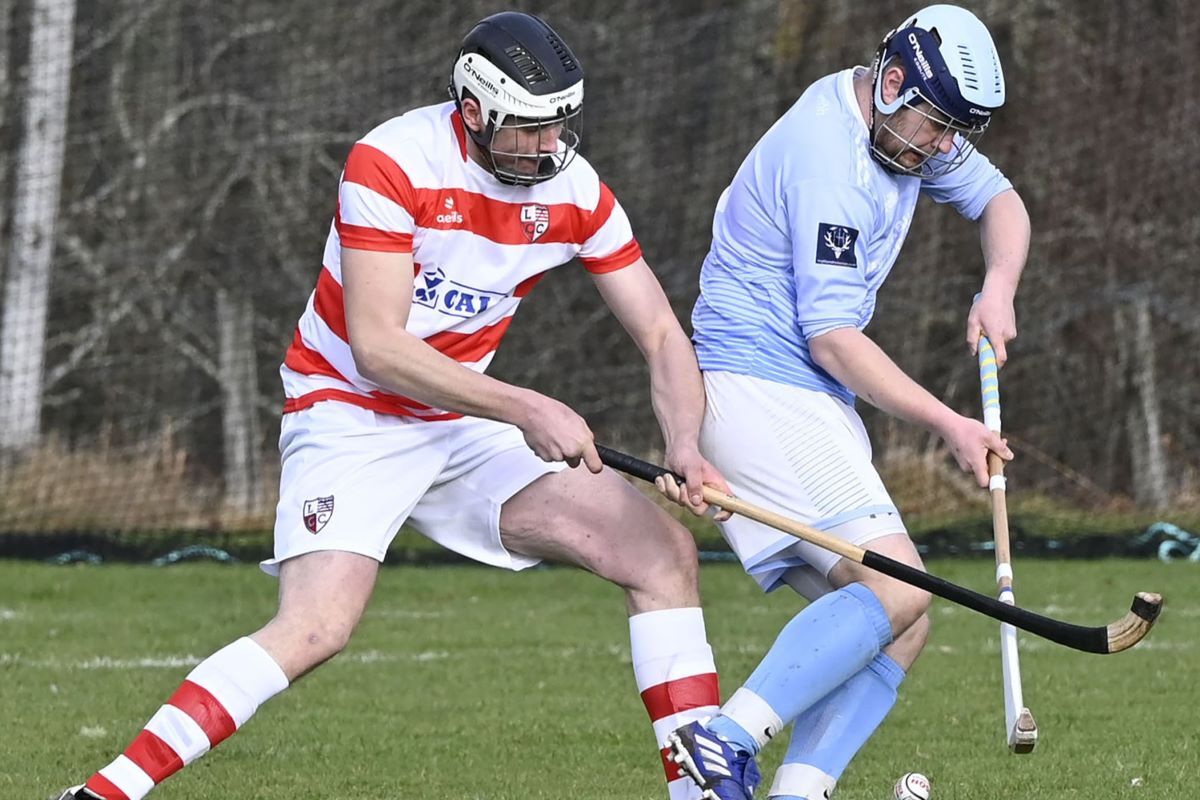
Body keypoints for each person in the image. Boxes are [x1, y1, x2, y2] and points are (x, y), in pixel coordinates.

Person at [57, 12, 731, 800]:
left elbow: (657, 330)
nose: (549, 150)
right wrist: (523, 406)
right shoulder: (391, 162)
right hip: (350, 411)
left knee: (661, 555)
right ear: (474, 114)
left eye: (561, 129)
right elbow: (378, 346)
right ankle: (103, 794)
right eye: (529, 132)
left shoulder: (575, 192)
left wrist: (684, 443)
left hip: (460, 421)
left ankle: (704, 793)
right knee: (316, 629)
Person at [656, 5, 1030, 799]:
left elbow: (1001, 202)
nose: (941, 148)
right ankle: (725, 740)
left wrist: (997, 286)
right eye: (936, 127)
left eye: (955, 133)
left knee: (904, 621)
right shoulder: (828, 157)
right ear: (892, 84)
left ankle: (799, 789)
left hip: (804, 396)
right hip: (760, 388)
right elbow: (831, 338)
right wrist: (947, 421)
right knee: (899, 589)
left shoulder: (905, 126)